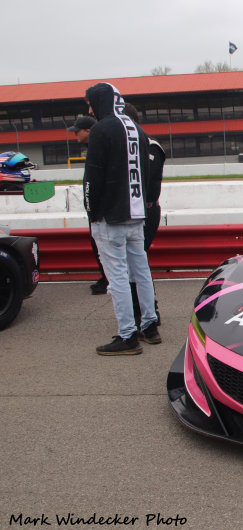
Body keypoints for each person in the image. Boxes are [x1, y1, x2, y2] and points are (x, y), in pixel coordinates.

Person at [83, 82, 161, 355]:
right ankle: (150, 326)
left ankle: (127, 336)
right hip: (137, 214)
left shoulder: (101, 129)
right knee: (141, 271)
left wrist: (92, 212)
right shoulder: (136, 129)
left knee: (117, 277)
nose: (90, 110)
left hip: (110, 217)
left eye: (91, 104)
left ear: (99, 102)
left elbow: (92, 177)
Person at [123, 102, 164, 327]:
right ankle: (142, 310)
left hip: (146, 211)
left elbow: (147, 182)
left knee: (136, 262)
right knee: (135, 262)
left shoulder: (148, 145)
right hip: (137, 211)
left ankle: (148, 311)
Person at [69, 116, 108, 295]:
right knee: (96, 246)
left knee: (101, 246)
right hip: (96, 209)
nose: (74, 134)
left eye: (78, 130)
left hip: (102, 211)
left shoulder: (98, 148)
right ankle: (105, 276)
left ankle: (108, 279)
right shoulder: (92, 148)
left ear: (88, 131)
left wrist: (94, 212)